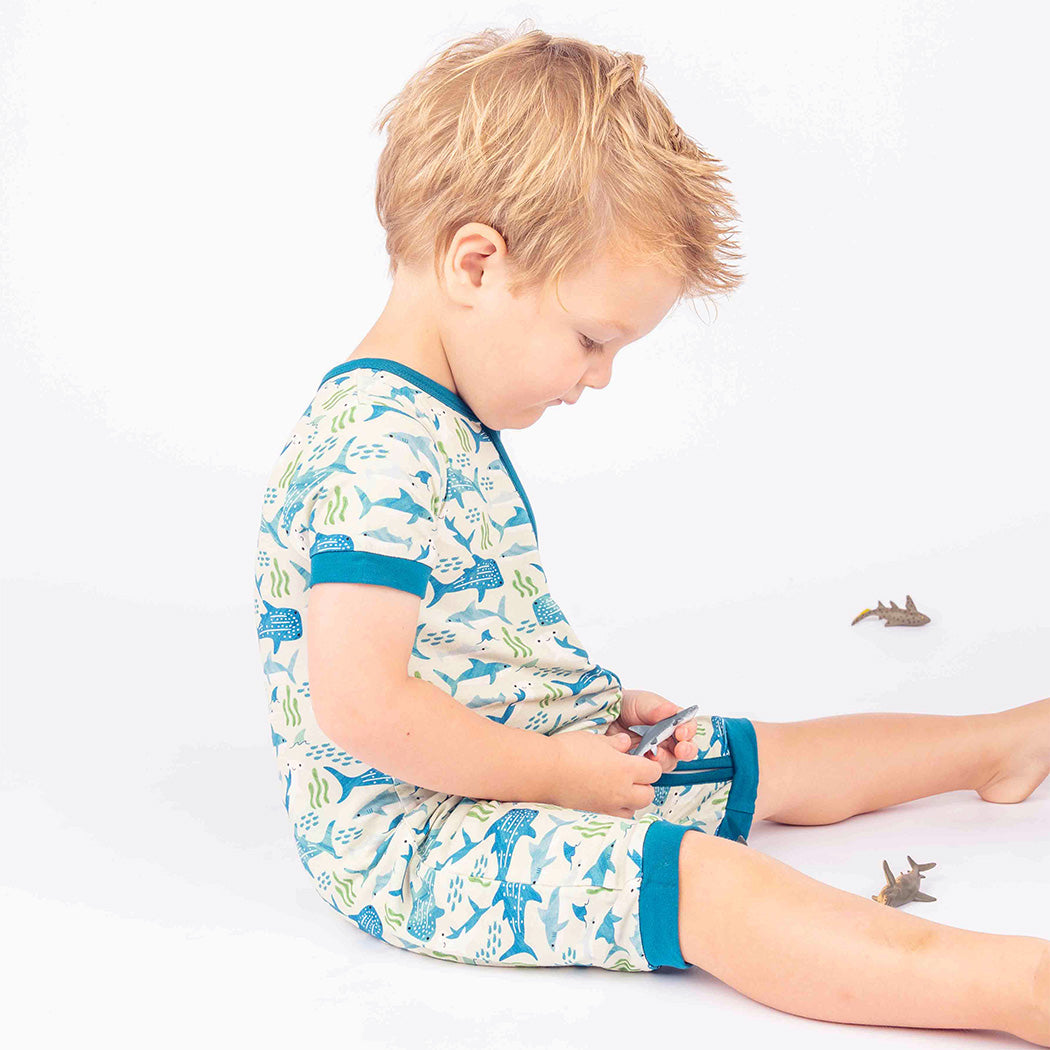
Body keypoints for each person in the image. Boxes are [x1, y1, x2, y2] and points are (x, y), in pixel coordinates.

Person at [252, 23, 1050, 1044]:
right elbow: (361, 705)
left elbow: (449, 630)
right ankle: (1019, 989)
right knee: (707, 884)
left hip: (504, 757)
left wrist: (556, 699)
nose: (598, 377)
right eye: (592, 339)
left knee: (749, 759)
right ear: (477, 263)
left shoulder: (433, 417)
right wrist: (557, 775)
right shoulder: (378, 443)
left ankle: (1001, 747)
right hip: (416, 835)